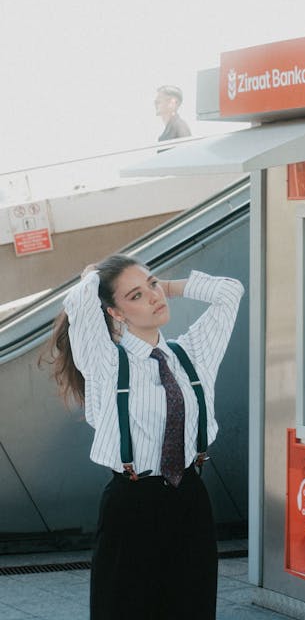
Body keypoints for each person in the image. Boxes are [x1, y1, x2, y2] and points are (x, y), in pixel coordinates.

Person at [47, 254, 244, 620]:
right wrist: (91, 275)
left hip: (190, 497)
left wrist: (167, 286)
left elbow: (230, 292)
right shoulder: (106, 363)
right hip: (132, 504)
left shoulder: (192, 354)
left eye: (151, 284)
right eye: (135, 295)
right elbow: (79, 303)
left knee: (193, 607)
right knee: (126, 610)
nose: (153, 297)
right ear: (115, 313)